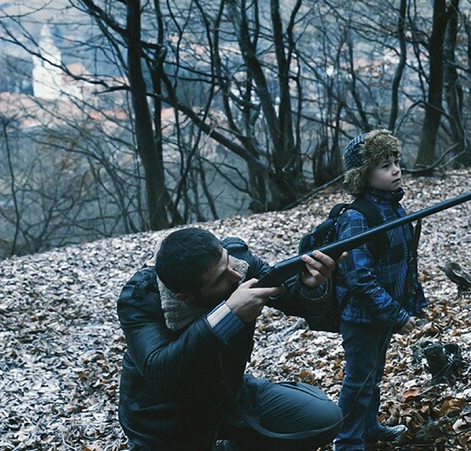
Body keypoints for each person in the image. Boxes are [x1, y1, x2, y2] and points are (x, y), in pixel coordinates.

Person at [116, 227, 344, 450]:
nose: (236, 275)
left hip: (227, 391)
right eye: (220, 279)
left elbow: (291, 297)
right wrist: (227, 316)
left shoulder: (236, 261)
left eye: (228, 261)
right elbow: (162, 371)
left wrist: (309, 284)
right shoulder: (140, 296)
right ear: (184, 296)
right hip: (162, 416)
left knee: (325, 418)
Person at [332, 130, 427, 450]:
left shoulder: (393, 208)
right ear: (363, 176)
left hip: (383, 313)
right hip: (361, 317)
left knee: (373, 377)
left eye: (396, 161)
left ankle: (368, 428)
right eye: (385, 166)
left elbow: (403, 261)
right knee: (358, 381)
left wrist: (412, 301)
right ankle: (347, 442)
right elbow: (360, 279)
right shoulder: (358, 218)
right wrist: (396, 315)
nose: (396, 170)